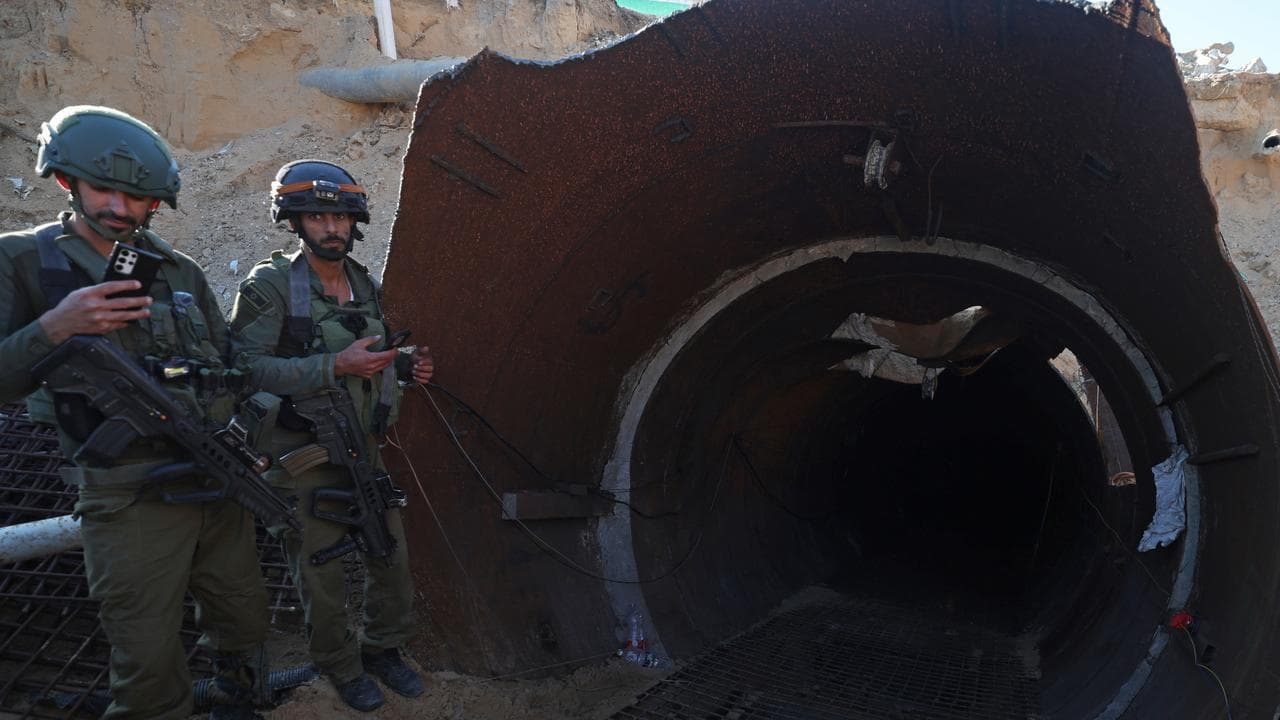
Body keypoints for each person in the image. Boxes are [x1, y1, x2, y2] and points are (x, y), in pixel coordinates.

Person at [0, 105, 269, 719]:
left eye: (137, 197)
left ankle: (239, 701)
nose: (119, 208)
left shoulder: (179, 270)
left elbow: (227, 365)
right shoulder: (22, 261)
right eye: (104, 189)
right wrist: (54, 326)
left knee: (243, 617)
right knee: (146, 656)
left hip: (213, 478)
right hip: (129, 494)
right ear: (66, 180)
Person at [228, 159, 434, 711]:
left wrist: (404, 365)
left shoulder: (364, 283)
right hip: (302, 452)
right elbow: (243, 368)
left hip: (362, 444)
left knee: (389, 551)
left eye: (340, 217)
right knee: (320, 567)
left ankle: (383, 649)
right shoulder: (271, 285)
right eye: (318, 217)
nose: (331, 227)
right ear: (295, 221)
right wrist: (333, 366)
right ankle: (340, 666)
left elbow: (370, 353)